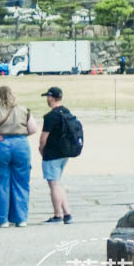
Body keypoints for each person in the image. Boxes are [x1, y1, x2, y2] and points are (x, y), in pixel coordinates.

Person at [0, 85, 38, 227]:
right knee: (21, 182)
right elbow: (33, 129)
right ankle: (21, 219)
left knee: (0, 182)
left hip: (0, 145)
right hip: (21, 145)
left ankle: (3, 220)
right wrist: (21, 136)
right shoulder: (24, 110)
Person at [39, 87, 74, 224]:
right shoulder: (66, 112)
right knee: (57, 184)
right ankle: (67, 214)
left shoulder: (50, 116)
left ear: (51, 98)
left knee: (53, 185)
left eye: (48, 97)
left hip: (52, 154)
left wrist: (42, 150)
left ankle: (57, 214)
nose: (47, 100)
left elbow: (43, 139)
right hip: (64, 153)